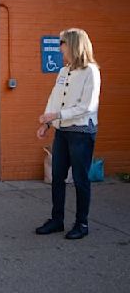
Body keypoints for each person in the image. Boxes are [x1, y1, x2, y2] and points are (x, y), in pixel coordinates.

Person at [35, 28, 101, 240]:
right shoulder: (64, 71)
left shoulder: (91, 71)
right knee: (57, 178)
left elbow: (88, 106)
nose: (59, 49)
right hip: (62, 131)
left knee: (81, 179)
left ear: (72, 44)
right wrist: (48, 122)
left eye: (61, 44)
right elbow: (54, 98)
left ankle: (82, 224)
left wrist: (57, 114)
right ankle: (57, 220)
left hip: (81, 132)